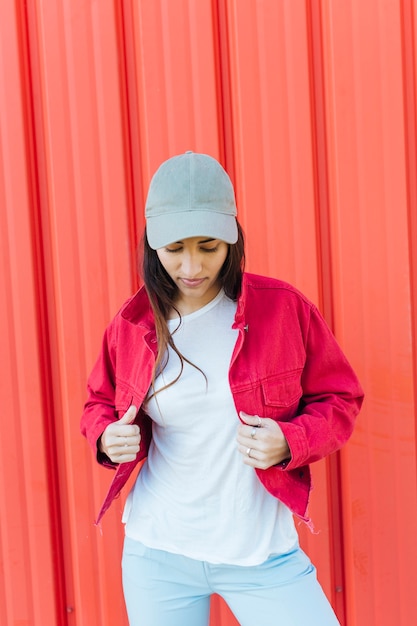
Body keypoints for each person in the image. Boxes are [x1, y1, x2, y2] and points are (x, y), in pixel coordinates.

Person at [81, 151, 364, 626]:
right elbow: (98, 404)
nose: (192, 266)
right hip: (158, 553)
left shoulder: (283, 311)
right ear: (153, 245)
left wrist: (291, 441)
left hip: (260, 555)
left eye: (208, 247)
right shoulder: (132, 324)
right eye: (175, 249)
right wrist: (106, 439)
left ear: (232, 239)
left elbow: (341, 399)